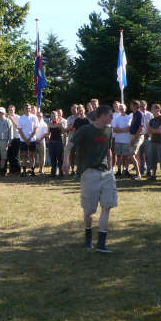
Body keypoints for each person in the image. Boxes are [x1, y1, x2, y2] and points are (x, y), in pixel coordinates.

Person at [62, 105, 116, 253]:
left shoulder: (109, 130)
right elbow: (69, 146)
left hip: (106, 173)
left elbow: (108, 150)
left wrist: (111, 168)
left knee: (107, 206)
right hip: (88, 173)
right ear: (102, 115)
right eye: (110, 115)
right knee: (89, 211)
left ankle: (101, 244)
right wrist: (66, 162)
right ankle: (88, 238)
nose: (112, 117)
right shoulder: (85, 130)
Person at [17, 103, 39, 176]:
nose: (28, 109)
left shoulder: (34, 117)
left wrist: (29, 138)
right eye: (26, 108)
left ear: (30, 109)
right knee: (24, 156)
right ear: (24, 109)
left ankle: (32, 171)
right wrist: (25, 139)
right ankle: (24, 171)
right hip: (23, 140)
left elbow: (36, 129)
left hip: (32, 140)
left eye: (29, 108)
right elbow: (20, 130)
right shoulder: (21, 118)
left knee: (32, 156)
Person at [147, 103, 161, 181]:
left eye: (153, 108)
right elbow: (148, 131)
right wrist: (154, 130)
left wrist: (153, 130)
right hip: (153, 141)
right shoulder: (151, 120)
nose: (151, 110)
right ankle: (153, 175)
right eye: (151, 109)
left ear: (158, 109)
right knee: (153, 159)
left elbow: (160, 131)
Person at [112, 104, 132, 177]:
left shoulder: (129, 117)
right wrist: (124, 130)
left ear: (125, 109)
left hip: (126, 140)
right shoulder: (116, 118)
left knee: (126, 156)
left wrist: (119, 130)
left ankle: (125, 170)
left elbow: (128, 128)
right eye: (120, 109)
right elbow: (114, 129)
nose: (121, 110)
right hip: (118, 140)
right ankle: (119, 170)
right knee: (118, 156)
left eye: (122, 108)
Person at [128, 100, 144, 179]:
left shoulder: (139, 114)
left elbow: (141, 127)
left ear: (135, 106)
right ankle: (139, 173)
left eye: (131, 105)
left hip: (137, 137)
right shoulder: (134, 114)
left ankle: (138, 174)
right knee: (135, 155)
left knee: (131, 155)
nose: (130, 106)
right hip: (133, 136)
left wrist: (134, 139)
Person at [48, 110, 66, 177]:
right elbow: (48, 133)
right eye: (52, 116)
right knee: (52, 158)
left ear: (57, 116)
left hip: (59, 143)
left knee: (59, 158)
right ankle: (53, 173)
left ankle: (61, 172)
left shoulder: (60, 124)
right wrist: (48, 138)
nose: (53, 117)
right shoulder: (49, 124)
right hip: (51, 143)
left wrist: (64, 142)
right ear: (51, 117)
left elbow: (64, 132)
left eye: (54, 116)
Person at [139, 100, 153, 177]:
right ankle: (141, 169)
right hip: (139, 137)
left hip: (147, 137)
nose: (143, 107)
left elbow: (152, 125)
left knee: (148, 155)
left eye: (144, 105)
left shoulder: (150, 114)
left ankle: (149, 170)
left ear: (146, 106)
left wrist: (149, 134)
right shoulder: (137, 114)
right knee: (140, 155)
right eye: (141, 106)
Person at [7, 105, 21, 175]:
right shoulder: (6, 118)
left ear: (14, 110)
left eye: (12, 110)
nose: (11, 111)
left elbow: (18, 127)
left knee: (16, 155)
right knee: (10, 155)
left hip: (16, 138)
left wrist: (11, 119)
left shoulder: (18, 117)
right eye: (10, 110)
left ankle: (18, 170)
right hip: (9, 139)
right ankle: (11, 170)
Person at [35, 110, 48, 175]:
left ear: (42, 117)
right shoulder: (33, 123)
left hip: (41, 141)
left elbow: (45, 134)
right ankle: (32, 169)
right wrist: (35, 139)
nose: (39, 117)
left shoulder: (44, 124)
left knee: (42, 156)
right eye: (38, 116)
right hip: (34, 141)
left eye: (40, 116)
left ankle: (41, 169)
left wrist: (39, 139)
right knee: (33, 156)